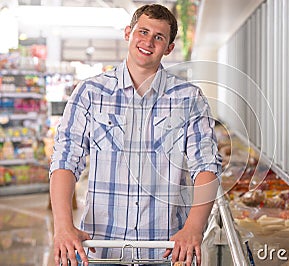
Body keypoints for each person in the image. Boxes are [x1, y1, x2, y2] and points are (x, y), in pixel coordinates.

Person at [49, 4, 221, 266]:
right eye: (143, 31)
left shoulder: (189, 98)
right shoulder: (90, 93)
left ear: (169, 48)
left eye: (159, 37)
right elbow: (65, 160)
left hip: (165, 250)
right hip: (100, 249)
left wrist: (194, 228)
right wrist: (62, 226)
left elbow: (207, 167)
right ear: (128, 32)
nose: (148, 42)